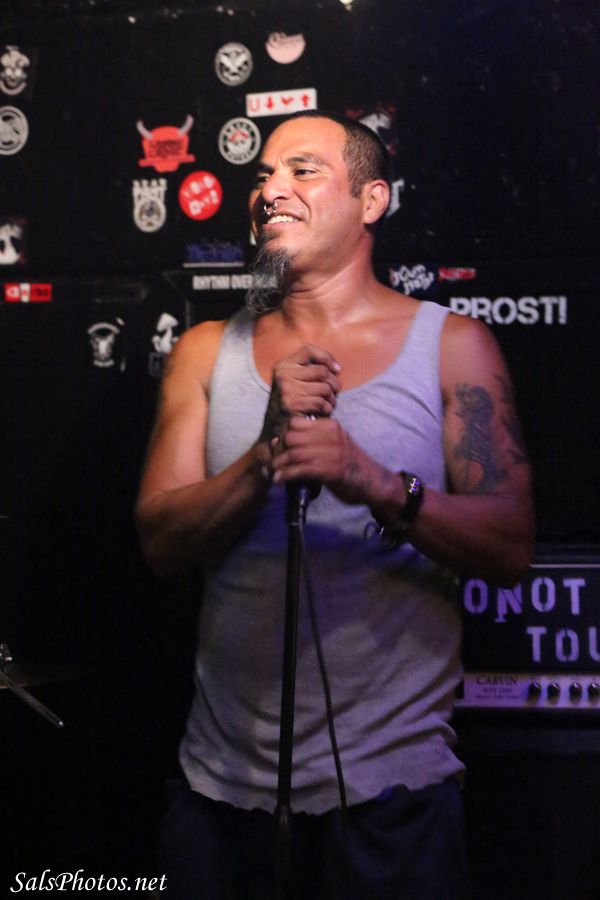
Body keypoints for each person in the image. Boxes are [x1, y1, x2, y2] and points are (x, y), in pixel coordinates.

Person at [135, 110, 534, 899]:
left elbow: (509, 544)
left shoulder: (452, 346)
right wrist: (264, 457)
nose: (270, 191)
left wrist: (373, 481)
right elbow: (160, 541)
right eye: (262, 176)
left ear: (372, 200)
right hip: (220, 795)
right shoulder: (205, 351)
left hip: (394, 798)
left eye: (303, 170)